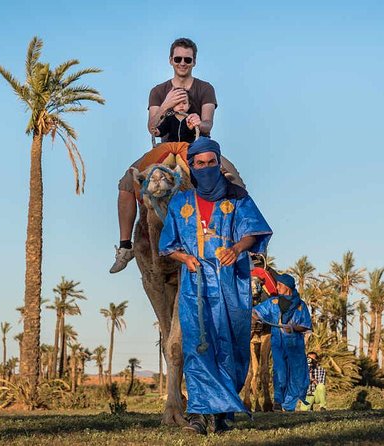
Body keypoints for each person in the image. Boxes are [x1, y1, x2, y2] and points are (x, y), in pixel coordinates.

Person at [158, 137, 272, 435]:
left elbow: (254, 231)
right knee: (198, 342)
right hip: (195, 282)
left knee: (231, 343)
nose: (206, 168)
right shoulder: (181, 202)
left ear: (219, 164)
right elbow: (168, 244)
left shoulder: (238, 197)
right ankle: (197, 413)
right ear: (192, 168)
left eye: (212, 163)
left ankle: (224, 411)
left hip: (231, 280)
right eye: (200, 164)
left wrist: (237, 249)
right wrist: (184, 257)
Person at [111, 37, 218, 273]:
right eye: (178, 58)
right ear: (171, 60)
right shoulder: (159, 91)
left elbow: (209, 122)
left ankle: (242, 243)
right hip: (165, 147)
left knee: (229, 178)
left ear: (194, 62)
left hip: (196, 145)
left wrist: (200, 120)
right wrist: (166, 105)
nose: (182, 63)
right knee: (127, 183)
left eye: (187, 59)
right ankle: (125, 245)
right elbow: (152, 126)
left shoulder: (205, 88)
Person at [253, 273, 312, 412]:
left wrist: (293, 328)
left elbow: (306, 325)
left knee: (295, 376)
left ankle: (289, 406)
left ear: (287, 287)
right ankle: (278, 402)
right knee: (280, 373)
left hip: (295, 346)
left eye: (279, 285)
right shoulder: (273, 303)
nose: (277, 287)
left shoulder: (301, 306)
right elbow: (257, 311)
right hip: (278, 345)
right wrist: (253, 316)